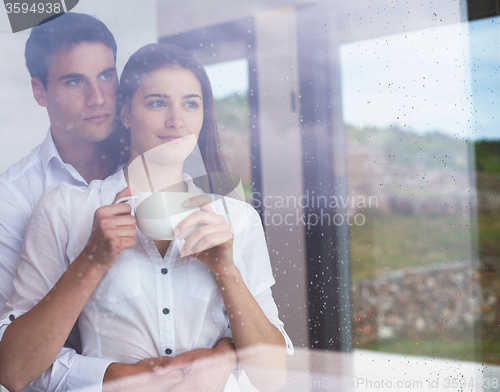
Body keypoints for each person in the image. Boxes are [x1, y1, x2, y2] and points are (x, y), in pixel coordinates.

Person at [0, 43, 293, 392]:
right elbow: (14, 370)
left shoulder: (237, 219)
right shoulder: (64, 209)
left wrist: (226, 270)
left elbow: (274, 377)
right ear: (125, 114)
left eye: (190, 104)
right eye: (157, 103)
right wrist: (91, 262)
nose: (176, 120)